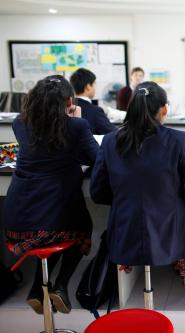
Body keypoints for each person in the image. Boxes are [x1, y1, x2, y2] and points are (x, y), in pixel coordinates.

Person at [90, 81, 185, 293]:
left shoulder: (110, 141)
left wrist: (126, 201)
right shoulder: (180, 141)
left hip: (124, 229)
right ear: (164, 109)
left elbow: (97, 192)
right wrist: (180, 202)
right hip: (172, 234)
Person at [3, 75, 99, 314]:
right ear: (69, 101)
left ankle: (37, 288)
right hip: (53, 222)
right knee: (79, 228)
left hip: (16, 223)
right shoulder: (76, 126)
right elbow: (96, 159)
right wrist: (76, 121)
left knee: (53, 227)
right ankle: (61, 287)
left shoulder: (19, 123)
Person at [70, 68, 116, 134]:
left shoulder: (67, 108)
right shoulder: (95, 111)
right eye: (94, 84)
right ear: (88, 87)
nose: (95, 88)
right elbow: (114, 134)